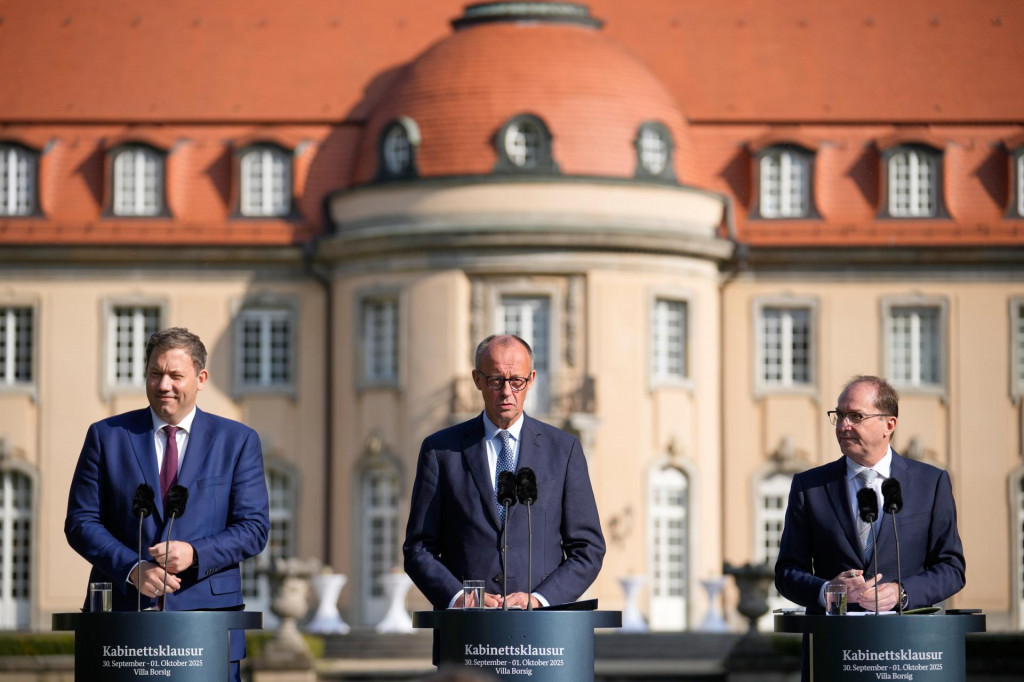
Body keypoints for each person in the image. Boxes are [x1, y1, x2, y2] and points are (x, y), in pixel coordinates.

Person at [65, 327, 270, 682]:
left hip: (206, 627)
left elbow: (254, 529)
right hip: (122, 625)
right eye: (155, 373)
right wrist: (132, 568)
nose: (164, 385)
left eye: (176, 375)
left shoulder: (237, 441)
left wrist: (195, 553)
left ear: (201, 379)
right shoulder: (106, 436)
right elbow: (81, 522)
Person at [404, 334, 605, 610]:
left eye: (516, 381)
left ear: (531, 380)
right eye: (496, 380)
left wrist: (539, 600)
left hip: (542, 627)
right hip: (467, 627)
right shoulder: (440, 451)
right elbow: (418, 548)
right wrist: (460, 598)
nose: (507, 391)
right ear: (477, 380)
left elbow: (588, 549)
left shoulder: (564, 450)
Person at [775, 375, 966, 616]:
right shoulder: (810, 487)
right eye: (840, 415)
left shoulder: (930, 483)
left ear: (889, 424)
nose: (843, 426)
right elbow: (787, 572)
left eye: (856, 416)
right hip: (833, 634)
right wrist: (827, 591)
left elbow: (951, 569)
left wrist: (901, 593)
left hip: (906, 634)